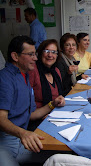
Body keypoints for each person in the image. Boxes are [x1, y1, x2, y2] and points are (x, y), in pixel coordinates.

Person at [0, 36, 65, 165]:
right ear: (15, 56)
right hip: (6, 143)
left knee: (63, 155)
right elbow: (1, 119)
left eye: (35, 54)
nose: (35, 58)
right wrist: (24, 133)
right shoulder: (5, 78)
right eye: (30, 54)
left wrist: (52, 104)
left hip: (22, 140)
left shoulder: (25, 75)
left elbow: (30, 114)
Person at [28, 39, 64, 130]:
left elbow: (59, 95)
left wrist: (61, 100)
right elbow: (26, 104)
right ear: (40, 53)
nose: (50, 55)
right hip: (36, 119)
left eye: (53, 52)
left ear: (57, 55)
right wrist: (42, 115)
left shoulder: (56, 71)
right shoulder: (33, 71)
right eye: (47, 51)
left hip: (55, 114)